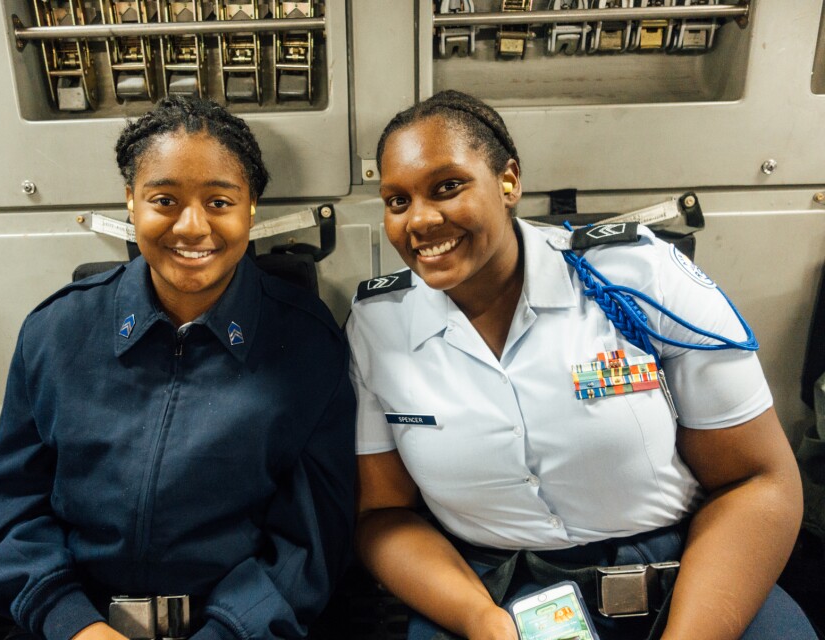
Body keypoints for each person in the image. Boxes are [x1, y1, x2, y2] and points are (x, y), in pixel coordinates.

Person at [348, 90, 815, 640]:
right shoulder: (378, 325)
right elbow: (383, 515)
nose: (420, 220)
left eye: (448, 187)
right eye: (397, 201)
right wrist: (481, 622)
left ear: (508, 181)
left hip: (694, 580)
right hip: (487, 594)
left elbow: (756, 479)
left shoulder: (637, 279)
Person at [0, 95, 356, 640]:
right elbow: (11, 508)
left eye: (220, 201)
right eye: (165, 200)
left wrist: (229, 630)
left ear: (251, 209)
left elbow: (311, 542)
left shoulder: (307, 343)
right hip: (71, 623)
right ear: (131, 201)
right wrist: (74, 624)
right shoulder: (57, 332)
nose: (191, 227)